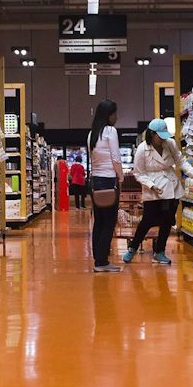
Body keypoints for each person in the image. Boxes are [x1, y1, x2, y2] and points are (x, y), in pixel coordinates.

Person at [125, 118, 193, 265]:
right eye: (159, 136)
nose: (162, 139)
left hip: (171, 186)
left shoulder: (170, 143)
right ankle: (132, 248)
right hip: (152, 189)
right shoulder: (142, 149)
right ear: (152, 134)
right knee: (147, 220)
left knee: (167, 221)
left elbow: (181, 162)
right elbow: (138, 173)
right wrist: (151, 185)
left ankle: (160, 252)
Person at [84, 101, 123, 272]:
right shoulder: (111, 131)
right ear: (109, 115)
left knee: (99, 221)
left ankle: (98, 259)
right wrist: (120, 177)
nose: (117, 117)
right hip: (108, 180)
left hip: (95, 181)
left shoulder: (91, 134)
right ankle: (102, 261)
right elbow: (115, 157)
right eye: (115, 114)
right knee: (109, 222)